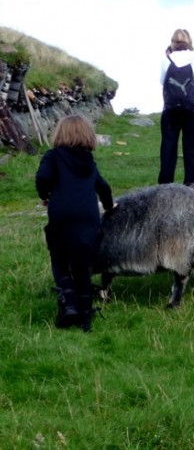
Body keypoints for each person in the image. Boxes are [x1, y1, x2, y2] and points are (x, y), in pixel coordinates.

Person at [35, 115, 115, 332]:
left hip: (61, 214)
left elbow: (42, 178)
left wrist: (45, 195)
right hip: (88, 217)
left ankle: (69, 304)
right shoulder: (89, 161)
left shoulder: (53, 156)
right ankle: (86, 320)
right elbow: (103, 187)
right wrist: (108, 207)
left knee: (59, 259)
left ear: (60, 134)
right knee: (83, 265)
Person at [158, 28, 194, 184]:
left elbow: (162, 81)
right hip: (192, 107)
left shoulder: (167, 59)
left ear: (172, 43)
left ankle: (165, 184)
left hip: (170, 107)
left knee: (168, 148)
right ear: (189, 42)